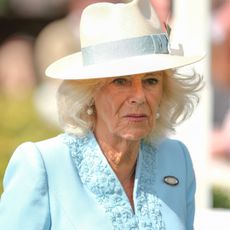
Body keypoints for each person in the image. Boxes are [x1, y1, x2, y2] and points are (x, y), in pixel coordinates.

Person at [0, 0, 204, 229]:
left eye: (151, 80)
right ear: (89, 92)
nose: (139, 96)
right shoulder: (42, 165)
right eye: (120, 81)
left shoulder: (177, 159)